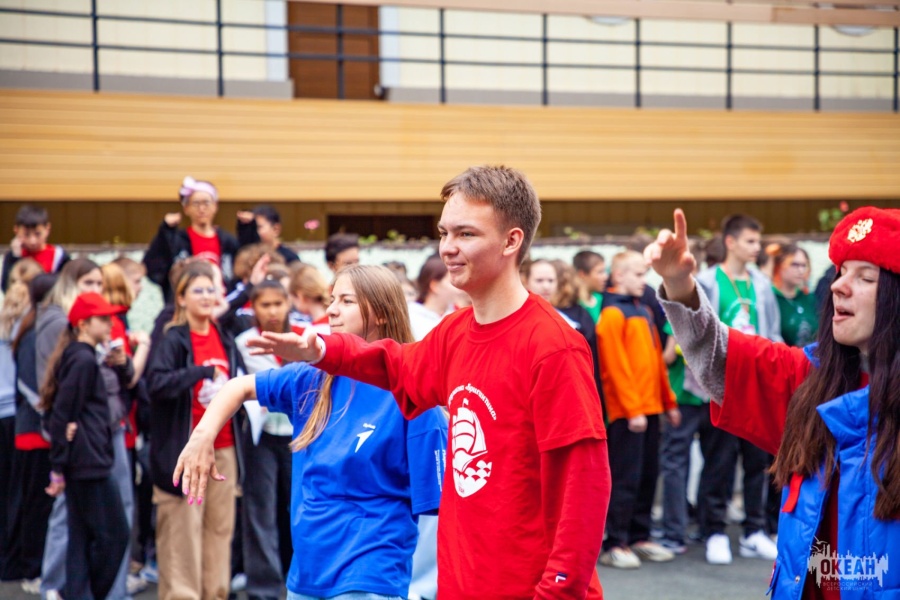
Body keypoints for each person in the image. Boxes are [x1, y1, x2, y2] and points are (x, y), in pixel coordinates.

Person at [221, 165, 611, 598]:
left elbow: (585, 485)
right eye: (444, 233)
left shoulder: (554, 346)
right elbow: (396, 365)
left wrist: (557, 591)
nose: (448, 248)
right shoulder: (455, 332)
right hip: (462, 585)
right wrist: (323, 352)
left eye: (466, 234)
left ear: (511, 241)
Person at [646, 207, 900, 599]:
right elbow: (719, 356)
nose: (839, 286)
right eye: (842, 272)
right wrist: (679, 284)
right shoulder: (809, 379)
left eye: (865, 277)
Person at [175, 265, 447, 599]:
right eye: (332, 299)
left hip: (370, 574)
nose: (331, 310)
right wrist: (201, 438)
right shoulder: (312, 377)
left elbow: (444, 514)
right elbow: (239, 387)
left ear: (381, 312)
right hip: (306, 573)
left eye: (346, 301)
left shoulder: (413, 392)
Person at [146, 262, 246, 600]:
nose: (205, 296)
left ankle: (215, 594)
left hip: (225, 448)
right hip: (185, 450)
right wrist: (199, 372)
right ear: (181, 297)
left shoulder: (224, 335)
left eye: (210, 289)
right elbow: (155, 384)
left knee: (219, 531)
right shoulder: (172, 337)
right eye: (197, 290)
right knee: (182, 534)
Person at [694, 214, 780, 565]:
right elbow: (698, 334)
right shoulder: (707, 281)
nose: (756, 248)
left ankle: (753, 531)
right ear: (730, 242)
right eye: (750, 241)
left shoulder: (761, 284)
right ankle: (714, 531)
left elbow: (772, 331)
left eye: (758, 241)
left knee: (758, 460)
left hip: (756, 385)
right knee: (720, 460)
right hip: (722, 385)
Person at [41, 292, 130, 600]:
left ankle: (75, 593)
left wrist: (60, 463)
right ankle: (76, 593)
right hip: (88, 462)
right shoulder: (82, 359)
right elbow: (61, 413)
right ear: (82, 324)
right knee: (115, 535)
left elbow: (61, 412)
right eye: (102, 319)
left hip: (84, 459)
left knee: (81, 537)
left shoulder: (81, 356)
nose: (110, 323)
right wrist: (57, 467)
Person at [597, 250, 679, 568]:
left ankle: (639, 537)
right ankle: (615, 541)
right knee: (625, 478)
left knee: (647, 476)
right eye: (638, 274)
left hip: (650, 409)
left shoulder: (643, 309)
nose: (644, 281)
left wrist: (668, 402)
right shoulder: (612, 314)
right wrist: (632, 410)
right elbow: (614, 368)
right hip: (628, 414)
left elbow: (657, 361)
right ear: (618, 275)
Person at [35, 257, 104, 599]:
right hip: (75, 447)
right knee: (74, 521)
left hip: (78, 442)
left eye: (99, 284)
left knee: (78, 525)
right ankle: (55, 586)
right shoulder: (64, 330)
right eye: (88, 283)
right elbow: (59, 400)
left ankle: (71, 588)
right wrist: (59, 457)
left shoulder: (80, 344)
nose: (95, 290)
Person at [233, 281, 295, 600]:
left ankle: (300, 580)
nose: (272, 311)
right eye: (265, 305)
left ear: (288, 303)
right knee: (260, 511)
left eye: (277, 303)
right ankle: (264, 589)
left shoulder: (303, 337)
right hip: (260, 436)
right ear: (253, 308)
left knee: (300, 507)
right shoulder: (243, 342)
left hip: (299, 435)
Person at [5, 274, 56, 589]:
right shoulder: (34, 332)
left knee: (39, 503)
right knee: (35, 503)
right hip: (35, 432)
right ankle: (31, 569)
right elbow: (29, 384)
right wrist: (51, 416)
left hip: (40, 429)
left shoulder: (40, 328)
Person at [0, 259, 44, 582]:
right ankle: (18, 562)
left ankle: (7, 560)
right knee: (21, 494)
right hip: (18, 415)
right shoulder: (28, 326)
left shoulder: (7, 320)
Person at [144, 176, 240, 302]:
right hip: (186, 306)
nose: (201, 209)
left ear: (215, 206)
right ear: (186, 208)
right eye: (196, 203)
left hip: (222, 305)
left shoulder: (228, 241)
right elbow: (154, 267)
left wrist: (247, 230)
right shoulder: (177, 240)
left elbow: (244, 269)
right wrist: (165, 232)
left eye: (206, 203)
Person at [2, 205, 69, 293]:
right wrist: (15, 257)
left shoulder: (58, 256)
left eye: (37, 234)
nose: (32, 241)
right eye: (26, 235)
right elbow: (6, 288)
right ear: (16, 230)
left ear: (47, 229)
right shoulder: (12, 256)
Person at [771, 244, 818, 349]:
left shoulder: (809, 298)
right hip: (784, 356)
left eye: (804, 265)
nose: (801, 270)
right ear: (780, 265)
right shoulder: (771, 298)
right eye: (794, 264)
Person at [407, 254, 457, 341]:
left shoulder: (457, 315)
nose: (457, 286)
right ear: (434, 286)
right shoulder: (410, 317)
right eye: (451, 281)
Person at [573, 250, 607, 324]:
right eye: (600, 272)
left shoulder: (602, 300)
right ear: (582, 274)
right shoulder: (572, 303)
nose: (605, 277)